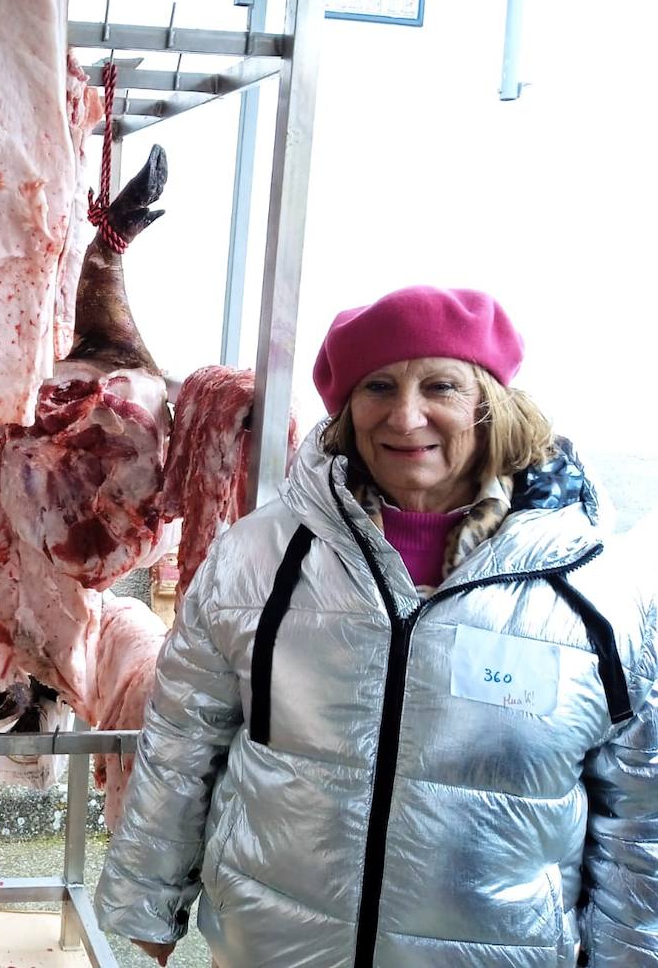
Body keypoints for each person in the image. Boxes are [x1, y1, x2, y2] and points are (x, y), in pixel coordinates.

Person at [94, 286, 658, 967]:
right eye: (379, 385)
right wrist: (146, 897)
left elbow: (638, 812)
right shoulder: (258, 559)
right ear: (347, 408)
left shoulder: (593, 591)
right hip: (272, 946)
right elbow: (183, 738)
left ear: (489, 403)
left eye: (441, 384)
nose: (406, 413)